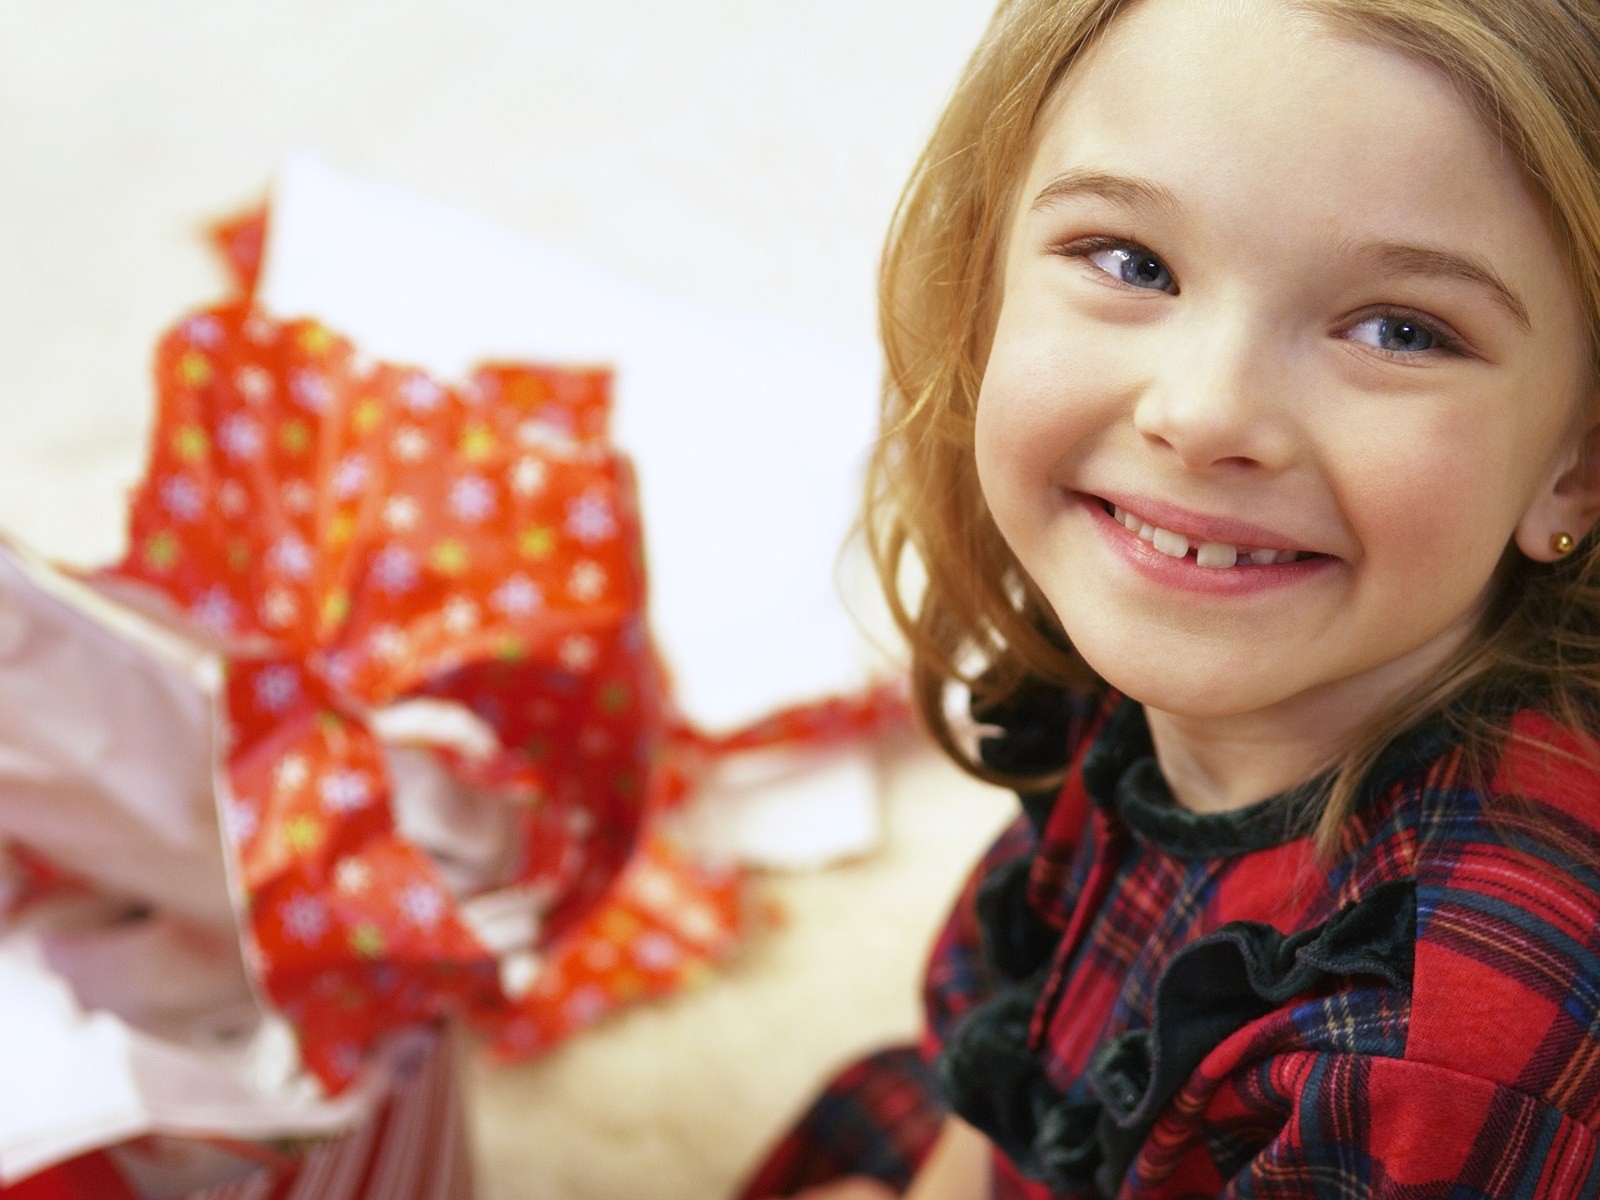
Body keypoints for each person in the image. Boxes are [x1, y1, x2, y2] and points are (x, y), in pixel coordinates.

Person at [736, 0, 1600, 1195]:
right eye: (1132, 263)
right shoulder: (1180, 617)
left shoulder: (1444, 1058)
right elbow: (1009, 1075)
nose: (1199, 416)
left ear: (1577, 462)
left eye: (1399, 330)